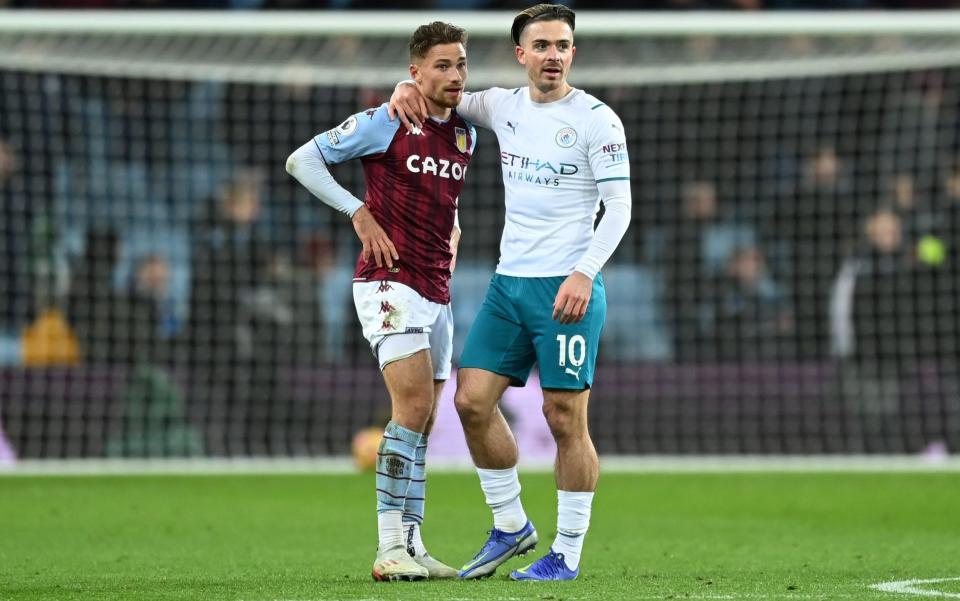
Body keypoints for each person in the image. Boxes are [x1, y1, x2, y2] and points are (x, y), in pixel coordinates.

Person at [389, 3, 632, 582]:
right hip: (508, 285)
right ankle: (510, 524)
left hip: (566, 288)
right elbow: (437, 94)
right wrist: (405, 82)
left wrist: (583, 272)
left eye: (563, 45)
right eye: (542, 45)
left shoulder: (598, 119)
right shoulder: (499, 106)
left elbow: (619, 208)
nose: (554, 55)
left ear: (573, 53)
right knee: (471, 401)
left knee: (565, 417)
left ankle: (567, 552)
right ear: (521, 54)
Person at [286, 21, 474, 582]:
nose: (455, 75)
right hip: (387, 279)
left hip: (438, 287)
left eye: (461, 63)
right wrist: (357, 211)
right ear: (416, 72)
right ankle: (388, 546)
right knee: (412, 408)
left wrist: (456, 226)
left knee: (426, 418)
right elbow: (302, 161)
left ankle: (412, 545)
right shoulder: (387, 119)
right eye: (441, 65)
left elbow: (444, 194)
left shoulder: (466, 133)